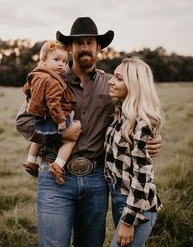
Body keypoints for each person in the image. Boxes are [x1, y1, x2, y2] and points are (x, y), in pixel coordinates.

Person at [18, 17, 162, 247]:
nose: (85, 47)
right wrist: (60, 135)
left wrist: (152, 137)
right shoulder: (49, 77)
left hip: (97, 179)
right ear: (70, 48)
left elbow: (135, 113)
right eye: (79, 43)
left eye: (90, 42)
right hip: (55, 176)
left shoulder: (112, 83)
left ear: (98, 48)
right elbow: (23, 121)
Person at [105, 57, 164, 247]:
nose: (111, 81)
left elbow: (142, 176)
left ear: (134, 84)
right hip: (118, 197)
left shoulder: (141, 123)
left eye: (119, 78)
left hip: (137, 205)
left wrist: (128, 220)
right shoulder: (120, 114)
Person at [22, 40, 77, 184]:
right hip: (52, 118)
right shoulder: (52, 80)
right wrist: (61, 121)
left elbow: (26, 90)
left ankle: (30, 161)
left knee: (39, 139)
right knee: (70, 140)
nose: (61, 64)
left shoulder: (36, 75)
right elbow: (53, 103)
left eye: (65, 61)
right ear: (44, 60)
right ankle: (58, 165)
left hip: (39, 117)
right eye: (56, 59)